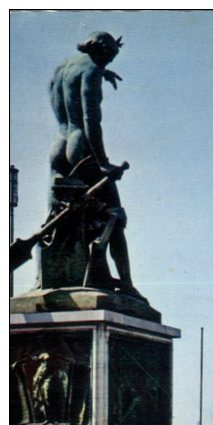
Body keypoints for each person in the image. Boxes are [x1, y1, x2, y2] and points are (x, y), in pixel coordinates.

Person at [47, 32, 140, 298]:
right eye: (111, 55)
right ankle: (126, 283)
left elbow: (68, 102)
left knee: (60, 215)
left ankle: (62, 276)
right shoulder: (92, 72)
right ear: (102, 49)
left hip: (59, 146)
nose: (110, 61)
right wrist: (104, 164)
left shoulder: (62, 69)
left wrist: (102, 74)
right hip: (82, 147)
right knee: (115, 216)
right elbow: (91, 121)